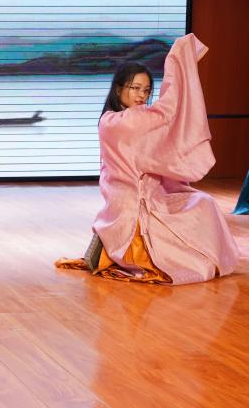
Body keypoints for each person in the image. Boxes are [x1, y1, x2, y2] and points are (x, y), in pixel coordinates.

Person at [56, 34, 239, 284]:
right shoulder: (118, 121)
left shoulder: (126, 118)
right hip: (132, 203)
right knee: (194, 217)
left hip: (152, 194)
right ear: (119, 89)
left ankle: (199, 254)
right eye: (135, 88)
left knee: (203, 202)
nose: (141, 95)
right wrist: (178, 60)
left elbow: (158, 136)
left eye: (146, 90)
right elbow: (167, 110)